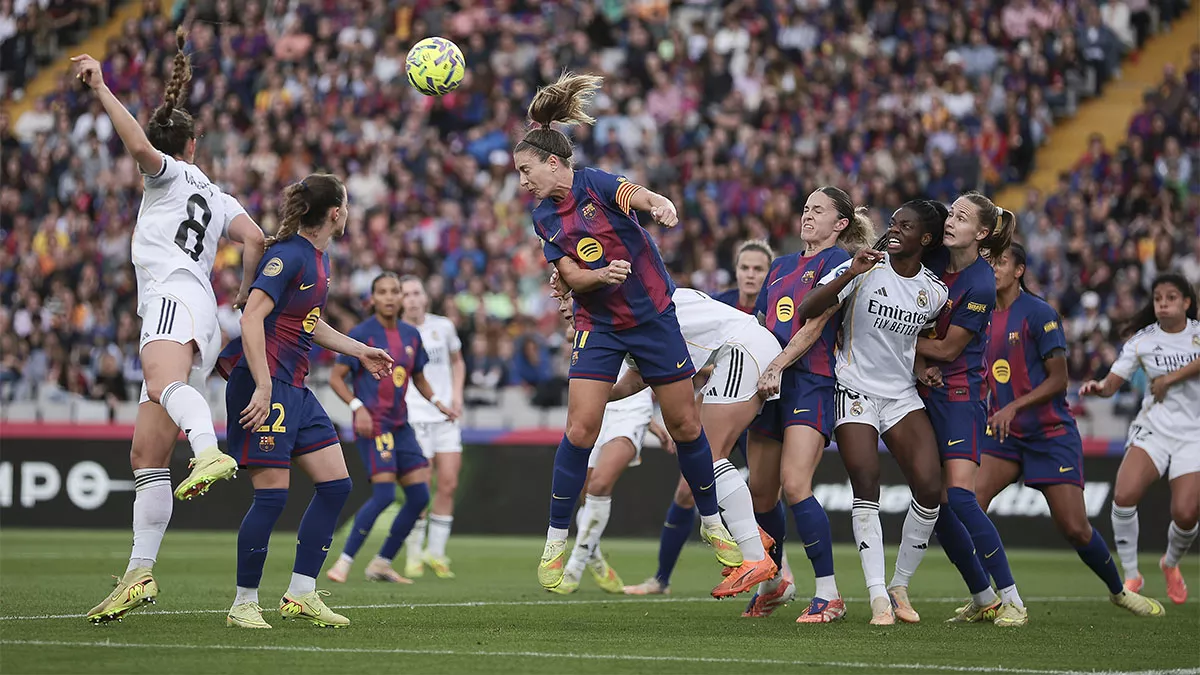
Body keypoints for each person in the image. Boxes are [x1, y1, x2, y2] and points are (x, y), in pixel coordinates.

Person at [513, 72, 738, 591]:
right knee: (579, 430)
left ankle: (711, 523)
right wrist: (598, 277)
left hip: (654, 318)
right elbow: (569, 274)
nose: (523, 181)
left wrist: (657, 203)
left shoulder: (591, 182)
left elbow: (630, 192)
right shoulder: (543, 215)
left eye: (527, 171)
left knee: (685, 426)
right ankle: (554, 539)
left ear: (554, 163)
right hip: (600, 324)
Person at [76, 34, 266, 624]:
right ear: (193, 140)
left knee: (162, 386)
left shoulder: (168, 176)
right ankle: (139, 571)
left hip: (172, 298)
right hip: (202, 308)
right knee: (147, 453)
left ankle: (207, 452)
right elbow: (256, 237)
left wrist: (103, 88)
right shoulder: (215, 190)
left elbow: (136, 146)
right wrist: (241, 291)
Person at [219, 174, 393, 629]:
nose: (350, 211)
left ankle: (301, 592)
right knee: (273, 497)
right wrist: (261, 386)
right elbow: (252, 317)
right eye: (348, 204)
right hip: (267, 383)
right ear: (335, 212)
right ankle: (243, 602)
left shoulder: (319, 258)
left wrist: (359, 349)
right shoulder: (288, 256)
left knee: (337, 485)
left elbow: (307, 323)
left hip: (294, 384)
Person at [974, 244, 1165, 617]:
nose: (993, 268)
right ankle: (988, 597)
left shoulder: (1039, 312)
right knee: (967, 506)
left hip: (1049, 434)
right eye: (990, 262)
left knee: (1076, 529)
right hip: (1005, 436)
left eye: (1001, 262)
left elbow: (1059, 380)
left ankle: (1118, 590)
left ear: (1019, 270)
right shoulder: (983, 316)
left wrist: (1012, 405)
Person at [794, 203, 948, 626]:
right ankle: (877, 596)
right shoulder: (863, 266)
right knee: (866, 484)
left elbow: (920, 338)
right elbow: (808, 307)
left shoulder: (935, 292)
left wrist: (922, 368)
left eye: (906, 226)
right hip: (853, 388)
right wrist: (850, 272)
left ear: (926, 240)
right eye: (894, 223)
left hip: (900, 395)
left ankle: (899, 585)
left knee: (931, 488)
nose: (895, 231)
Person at [625, 240, 780, 601]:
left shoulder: (650, 310)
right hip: (741, 358)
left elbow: (665, 377)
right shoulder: (652, 303)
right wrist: (595, 396)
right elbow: (637, 379)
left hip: (746, 356)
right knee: (701, 461)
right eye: (746, 268)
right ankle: (754, 542)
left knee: (707, 458)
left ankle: (757, 557)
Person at [748, 187, 875, 622]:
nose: (807, 215)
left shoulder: (839, 263)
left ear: (841, 224)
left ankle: (829, 594)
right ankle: (776, 580)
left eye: (818, 210)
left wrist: (779, 365)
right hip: (769, 382)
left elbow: (816, 323)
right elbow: (760, 325)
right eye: (805, 208)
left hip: (809, 381)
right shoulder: (781, 266)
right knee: (761, 492)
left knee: (795, 483)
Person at [909, 193, 1027, 627]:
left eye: (961, 217)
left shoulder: (980, 282)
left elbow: (948, 347)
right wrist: (920, 364)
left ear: (981, 233)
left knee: (960, 496)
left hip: (962, 396)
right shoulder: (934, 260)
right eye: (951, 213)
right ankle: (983, 598)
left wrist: (901, 342)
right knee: (932, 505)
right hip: (924, 392)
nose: (950, 220)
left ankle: (1013, 599)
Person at [325, 273, 457, 585]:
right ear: (372, 298)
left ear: (400, 298)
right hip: (375, 426)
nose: (388, 297)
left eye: (394, 291)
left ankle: (382, 562)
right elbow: (335, 377)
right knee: (384, 495)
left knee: (419, 496)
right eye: (382, 292)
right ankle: (344, 562)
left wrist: (438, 402)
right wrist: (357, 408)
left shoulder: (411, 335)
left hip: (401, 425)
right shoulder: (360, 334)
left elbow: (419, 377)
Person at [1082, 273, 1200, 606]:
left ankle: (1170, 563)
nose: (1163, 303)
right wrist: (1099, 388)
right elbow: (1112, 383)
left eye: (1171, 297)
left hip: (1193, 434)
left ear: (1187, 303)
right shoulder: (1142, 341)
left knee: (1187, 514)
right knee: (1124, 494)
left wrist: (1169, 379)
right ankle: (1132, 574)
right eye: (1159, 298)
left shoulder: (1197, 335)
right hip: (1154, 429)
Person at [550, 359, 671, 595]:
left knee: (600, 484)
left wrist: (652, 421)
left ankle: (573, 569)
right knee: (585, 495)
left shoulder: (644, 321)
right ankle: (593, 557)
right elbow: (570, 333)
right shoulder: (587, 323)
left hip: (632, 410)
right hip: (597, 405)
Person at [397, 275, 467, 580]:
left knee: (449, 483)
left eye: (416, 292)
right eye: (406, 294)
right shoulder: (397, 332)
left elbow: (458, 361)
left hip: (446, 415)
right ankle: (413, 554)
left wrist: (458, 394)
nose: (412, 298)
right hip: (415, 415)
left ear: (425, 297)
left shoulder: (444, 327)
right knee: (420, 487)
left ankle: (436, 553)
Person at [713, 241, 773, 313]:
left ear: (770, 274)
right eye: (744, 268)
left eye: (758, 269)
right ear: (736, 270)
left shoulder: (776, 312)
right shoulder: (717, 304)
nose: (750, 275)